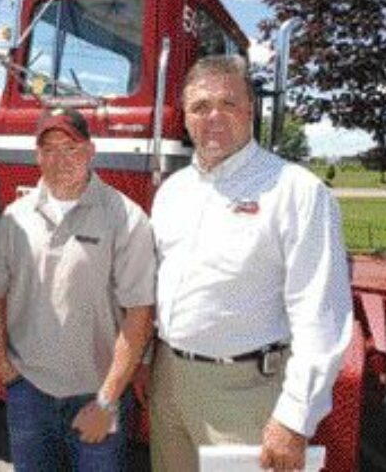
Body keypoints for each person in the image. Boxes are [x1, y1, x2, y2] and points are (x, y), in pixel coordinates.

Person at [149, 55, 353, 471]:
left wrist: (295, 420)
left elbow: (320, 317)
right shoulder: (172, 192)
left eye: (228, 103)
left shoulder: (297, 192)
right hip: (167, 379)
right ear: (184, 117)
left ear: (251, 110)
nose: (214, 117)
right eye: (200, 107)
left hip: (246, 391)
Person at [0, 108, 155, 471]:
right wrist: (6, 370)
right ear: (37, 155)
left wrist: (106, 402)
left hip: (98, 396)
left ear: (90, 152)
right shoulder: (15, 218)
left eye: (71, 148)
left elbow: (139, 316)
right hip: (29, 392)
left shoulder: (126, 218)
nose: (60, 159)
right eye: (49, 149)